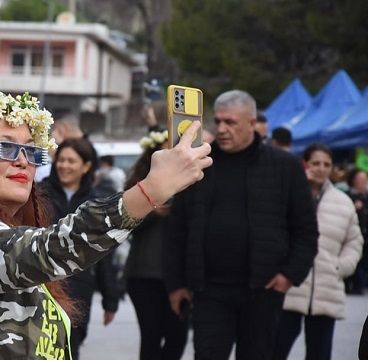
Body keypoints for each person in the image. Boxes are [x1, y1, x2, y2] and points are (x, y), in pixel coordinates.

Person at [0, 92, 212, 359]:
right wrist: (149, 191)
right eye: (5, 147)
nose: (23, 161)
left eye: (31, 150)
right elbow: (51, 248)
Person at [165, 89, 318, 360]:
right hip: (208, 291)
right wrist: (176, 283)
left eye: (230, 122)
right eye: (218, 121)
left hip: (263, 290)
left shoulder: (284, 167)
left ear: (251, 123)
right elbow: (177, 229)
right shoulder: (200, 167)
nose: (222, 129)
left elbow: (305, 228)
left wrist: (289, 275)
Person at [273, 143, 363, 360]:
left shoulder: (343, 203)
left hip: (326, 288)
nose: (321, 168)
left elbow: (354, 241)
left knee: (320, 354)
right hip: (290, 286)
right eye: (316, 163)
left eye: (326, 164)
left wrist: (340, 267)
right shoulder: (288, 195)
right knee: (274, 350)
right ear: (305, 163)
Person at [40, 137, 120, 360]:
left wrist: (110, 299)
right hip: (43, 281)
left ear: (86, 166)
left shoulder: (96, 203)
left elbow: (104, 253)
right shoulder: (38, 194)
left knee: (70, 346)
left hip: (78, 287)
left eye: (71, 161)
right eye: (61, 160)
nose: (64, 165)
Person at [125, 128, 188, 360]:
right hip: (145, 274)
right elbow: (125, 226)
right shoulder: (139, 184)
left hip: (180, 275)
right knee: (151, 337)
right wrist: (151, 209)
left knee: (177, 337)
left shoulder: (190, 180)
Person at [345, 168, 368, 294]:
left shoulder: (366, 197)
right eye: (361, 180)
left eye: (365, 180)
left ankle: (359, 286)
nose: (364, 183)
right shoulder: (347, 196)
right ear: (353, 181)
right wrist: (353, 208)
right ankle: (350, 285)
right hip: (351, 236)